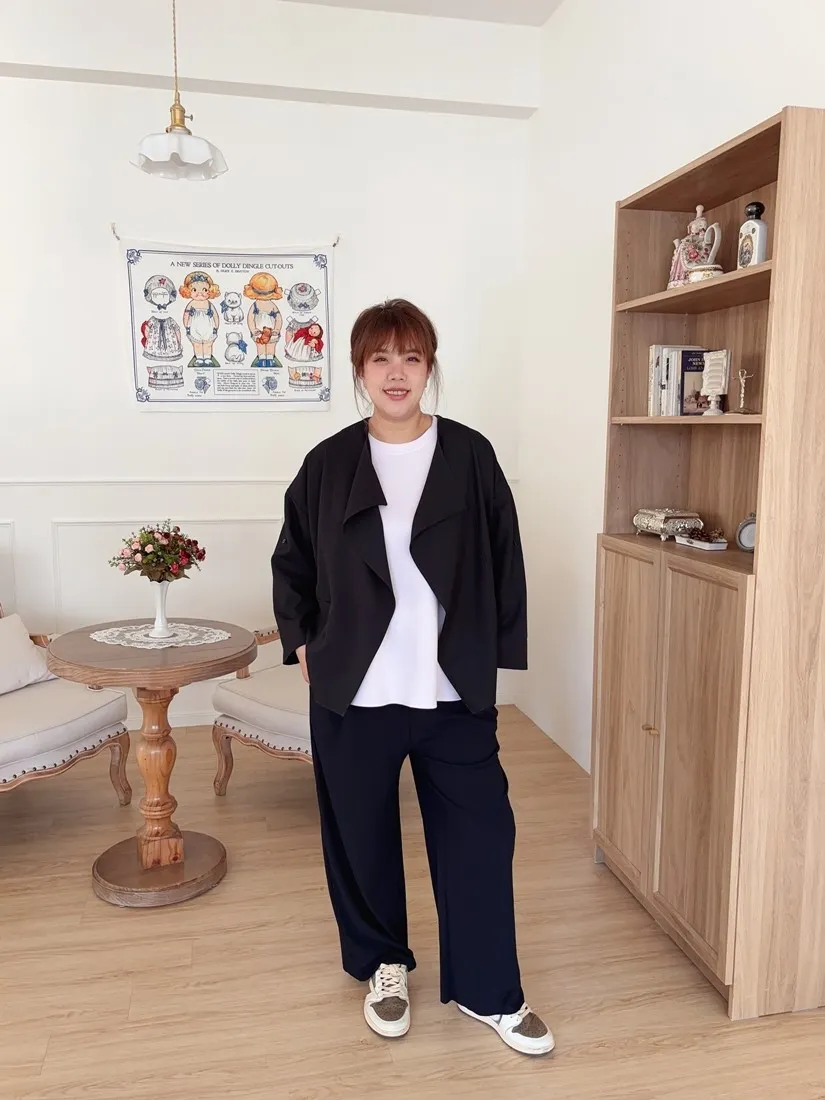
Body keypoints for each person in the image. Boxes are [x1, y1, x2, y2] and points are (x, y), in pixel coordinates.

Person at [271, 299, 553, 1057]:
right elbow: (292, 560)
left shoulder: (469, 454)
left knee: (481, 836)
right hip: (354, 693)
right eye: (380, 359)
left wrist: (494, 654)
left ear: (429, 367)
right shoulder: (328, 462)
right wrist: (302, 641)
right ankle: (383, 964)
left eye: (411, 357)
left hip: (449, 690)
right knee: (359, 836)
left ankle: (490, 990)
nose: (396, 373)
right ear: (359, 370)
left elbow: (505, 557)